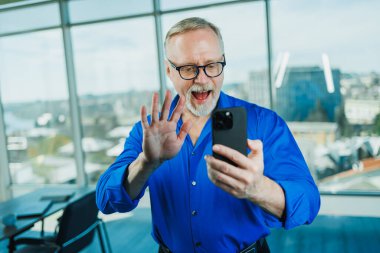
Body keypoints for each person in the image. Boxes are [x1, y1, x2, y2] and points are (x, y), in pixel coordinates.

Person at [96, 17, 320, 253]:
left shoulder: (264, 123)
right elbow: (106, 200)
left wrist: (257, 188)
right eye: (189, 68)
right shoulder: (148, 132)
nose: (202, 80)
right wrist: (145, 163)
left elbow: (309, 203)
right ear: (169, 70)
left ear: (223, 62)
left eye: (212, 65)